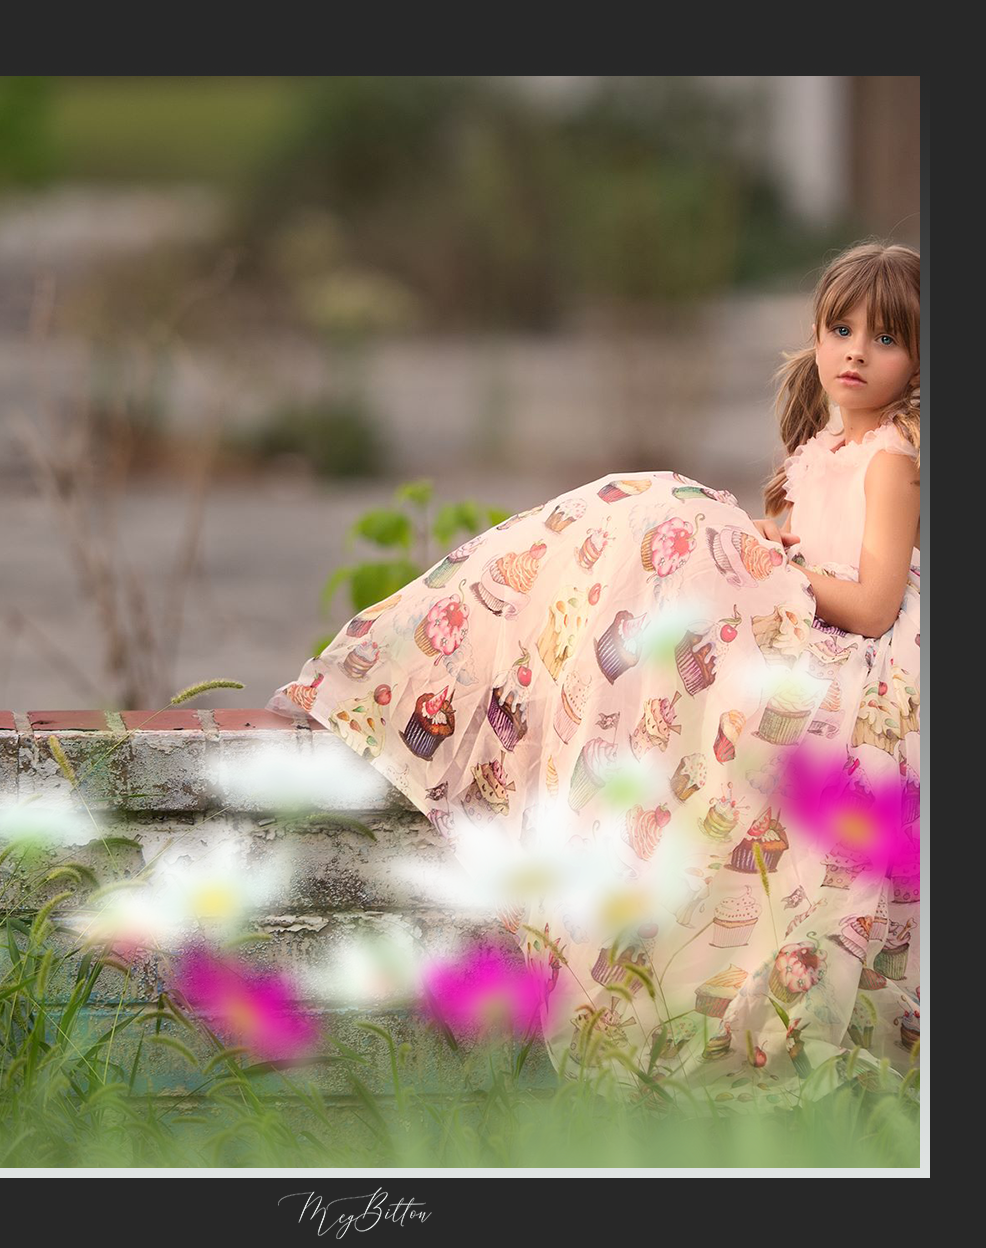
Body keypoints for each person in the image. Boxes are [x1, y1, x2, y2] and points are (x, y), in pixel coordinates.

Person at [266, 241, 922, 1110]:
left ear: (917, 360)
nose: (853, 353)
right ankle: (432, 661)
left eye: (883, 340)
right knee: (650, 519)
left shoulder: (892, 457)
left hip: (856, 652)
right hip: (809, 619)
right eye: (840, 329)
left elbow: (873, 605)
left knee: (674, 525)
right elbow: (803, 557)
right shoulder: (818, 450)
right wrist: (768, 553)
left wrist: (775, 574)